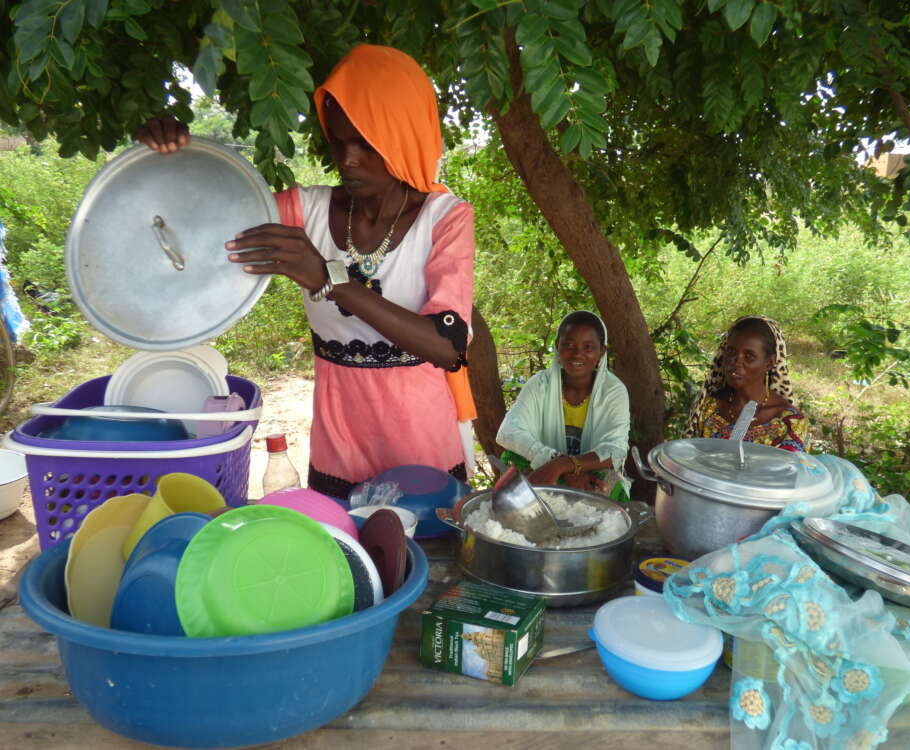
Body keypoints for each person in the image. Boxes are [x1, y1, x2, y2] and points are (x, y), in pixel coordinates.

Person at [137, 45, 475, 500]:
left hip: (422, 451)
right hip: (340, 449)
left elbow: (446, 346)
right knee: (343, 562)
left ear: (403, 135)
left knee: (421, 565)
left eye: (366, 143)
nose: (349, 158)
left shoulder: (446, 219)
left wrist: (329, 279)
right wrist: (176, 160)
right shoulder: (306, 210)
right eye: (339, 141)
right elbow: (197, 229)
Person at [495, 311, 631, 501]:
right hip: (543, 466)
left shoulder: (613, 391)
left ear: (602, 352)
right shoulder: (540, 384)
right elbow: (508, 432)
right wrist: (554, 462)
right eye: (568, 345)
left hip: (587, 472)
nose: (577, 353)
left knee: (607, 485)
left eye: (588, 347)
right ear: (557, 346)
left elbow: (615, 450)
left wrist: (563, 466)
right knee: (513, 459)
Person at [683, 315, 809, 451]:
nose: (736, 362)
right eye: (731, 352)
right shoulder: (709, 408)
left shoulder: (790, 423)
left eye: (749, 356)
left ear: (769, 363)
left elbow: (793, 469)